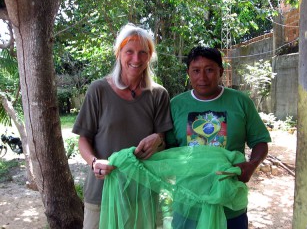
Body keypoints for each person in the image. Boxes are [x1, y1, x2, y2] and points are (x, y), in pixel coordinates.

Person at [72, 23, 173, 229]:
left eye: (143, 53)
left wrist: (158, 140)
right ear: (119, 53)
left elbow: (163, 141)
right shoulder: (98, 90)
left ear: (150, 56)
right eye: (130, 52)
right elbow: (84, 138)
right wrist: (94, 162)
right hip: (102, 191)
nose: (136, 59)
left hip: (142, 193)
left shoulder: (158, 94)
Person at [166, 46, 271, 229]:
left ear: (220, 71)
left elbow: (260, 141)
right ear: (188, 73)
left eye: (209, 70)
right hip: (188, 203)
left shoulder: (240, 102)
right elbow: (168, 148)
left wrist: (252, 165)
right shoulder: (176, 105)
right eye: (196, 71)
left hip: (229, 203)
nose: (202, 77)